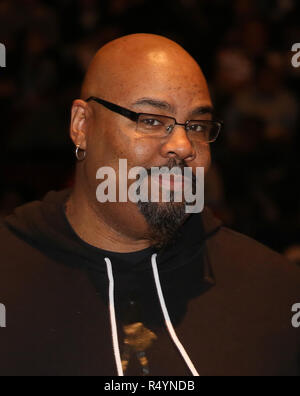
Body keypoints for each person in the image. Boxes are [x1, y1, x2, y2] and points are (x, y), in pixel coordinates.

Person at [0, 34, 299, 376]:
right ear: (82, 126)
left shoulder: (276, 292)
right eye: (152, 120)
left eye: (198, 126)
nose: (184, 145)